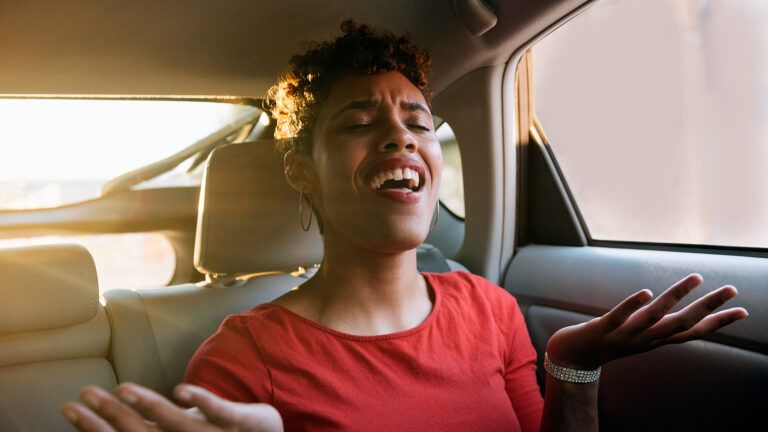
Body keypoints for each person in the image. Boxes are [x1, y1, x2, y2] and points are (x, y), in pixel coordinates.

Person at [62, 21, 748, 432]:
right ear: (302, 171)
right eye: (360, 124)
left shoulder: (492, 309)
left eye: (419, 123)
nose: (401, 139)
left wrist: (572, 367)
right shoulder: (244, 359)